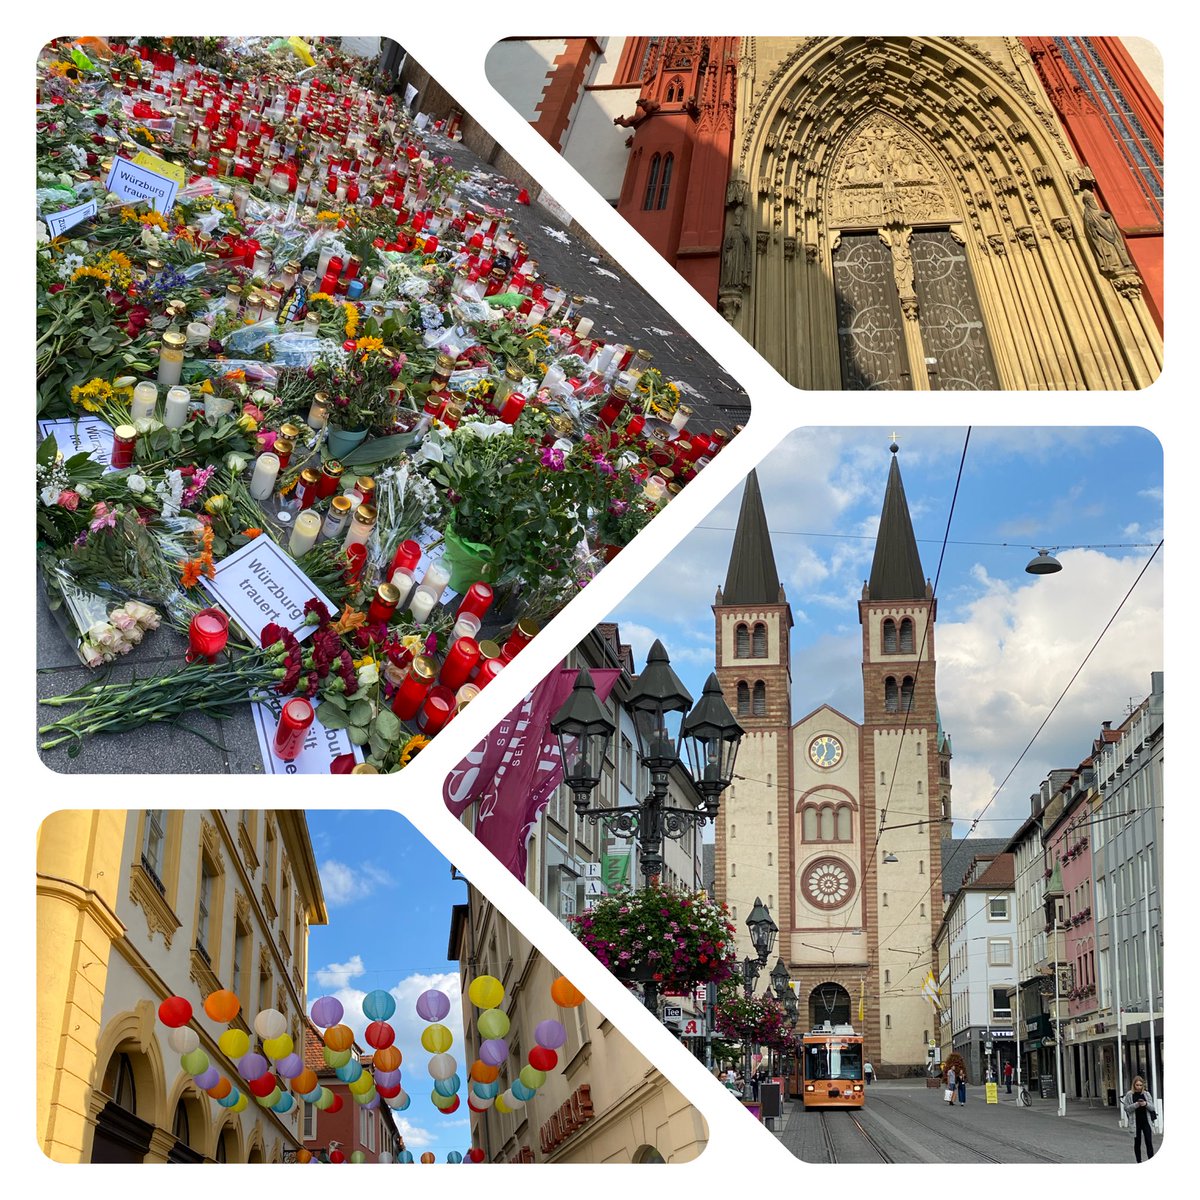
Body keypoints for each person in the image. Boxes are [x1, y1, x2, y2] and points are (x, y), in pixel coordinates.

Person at [1121, 1077, 1157, 1162]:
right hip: (1135, 1122)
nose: (1139, 1087)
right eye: (1137, 1085)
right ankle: (1139, 1161)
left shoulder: (1146, 1094)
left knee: (1149, 1142)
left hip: (1146, 1121)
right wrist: (1136, 1105)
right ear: (1134, 1085)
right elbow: (1126, 1108)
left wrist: (1145, 1104)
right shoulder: (1129, 1095)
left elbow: (1152, 1108)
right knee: (1137, 1143)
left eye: (1141, 1085)